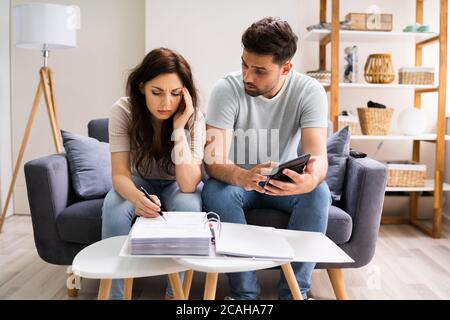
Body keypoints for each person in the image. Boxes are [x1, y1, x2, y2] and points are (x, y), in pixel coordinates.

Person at [202, 17, 331, 300]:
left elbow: (318, 155)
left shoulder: (309, 91)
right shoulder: (226, 89)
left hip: (280, 183)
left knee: (319, 194)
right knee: (216, 193)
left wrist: (309, 180)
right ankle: (244, 294)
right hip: (235, 182)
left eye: (260, 70)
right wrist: (243, 177)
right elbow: (213, 161)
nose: (248, 76)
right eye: (245, 64)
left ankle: (296, 293)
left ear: (286, 68)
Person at [102, 48, 205, 299]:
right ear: (141, 87)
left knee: (189, 207)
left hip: (176, 184)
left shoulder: (194, 118)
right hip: (138, 181)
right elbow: (119, 175)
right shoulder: (123, 111)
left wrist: (180, 128)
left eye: (175, 93)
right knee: (113, 207)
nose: (166, 103)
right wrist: (138, 199)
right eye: (156, 92)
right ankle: (116, 295)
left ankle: (175, 295)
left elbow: (189, 184)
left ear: (186, 93)